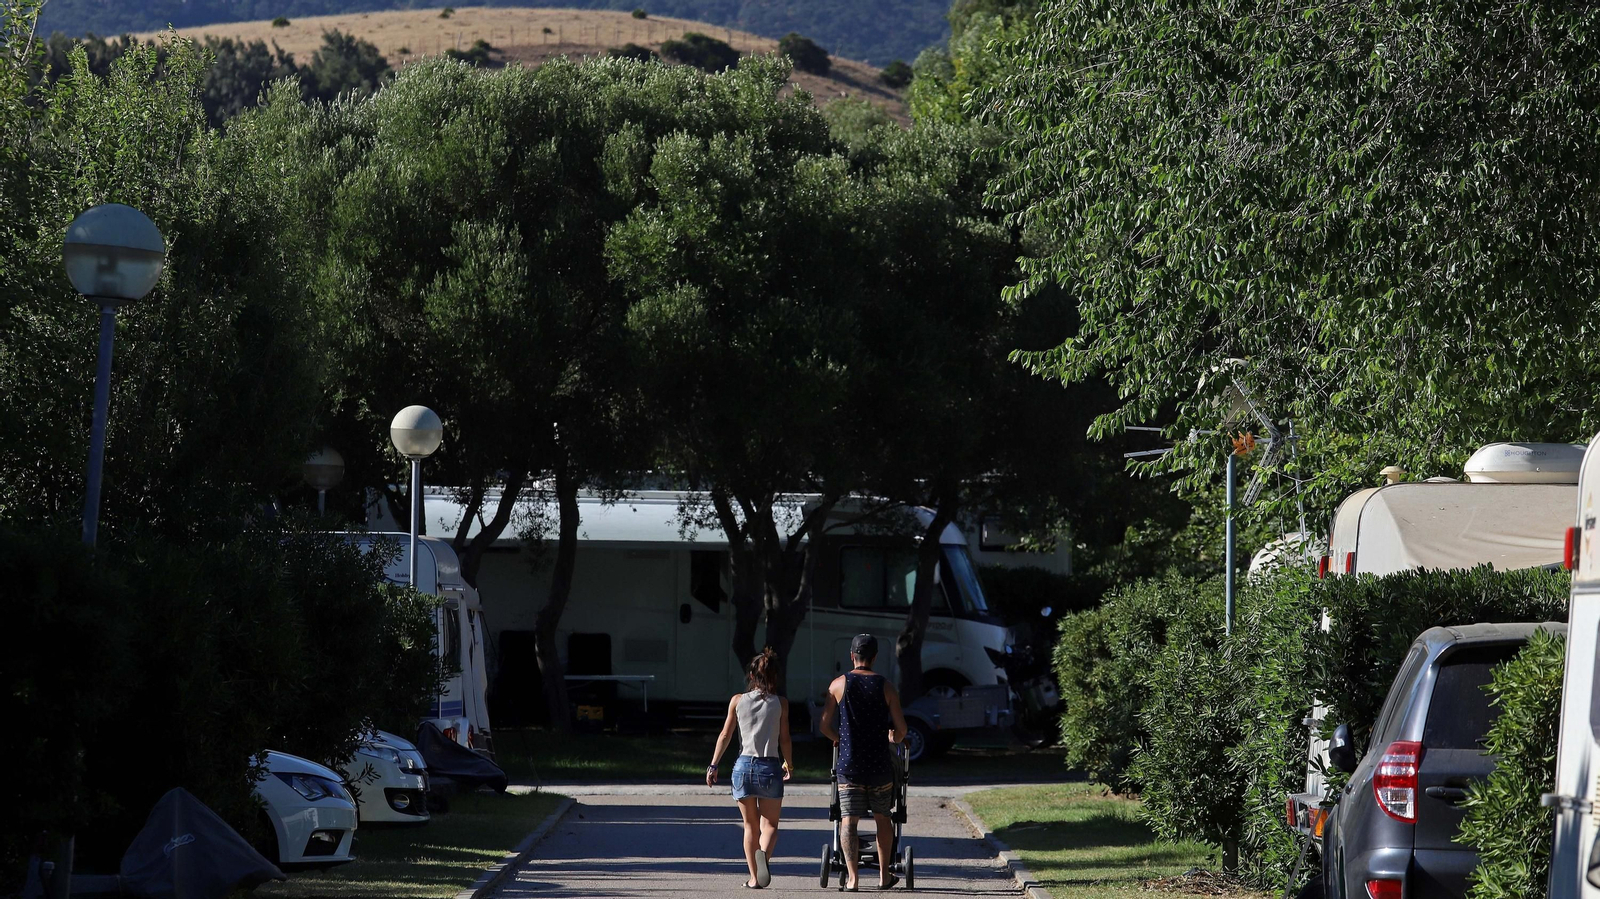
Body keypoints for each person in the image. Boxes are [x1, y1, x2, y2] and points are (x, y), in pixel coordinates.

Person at [820, 633, 908, 891]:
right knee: (883, 818)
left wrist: (840, 739)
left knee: (848, 819)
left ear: (851, 656)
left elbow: (824, 725)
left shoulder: (838, 684)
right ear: (875, 657)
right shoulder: (886, 686)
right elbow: (901, 730)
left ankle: (853, 879)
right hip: (880, 766)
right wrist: (893, 737)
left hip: (849, 766)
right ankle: (884, 876)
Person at [707, 647, 794, 889]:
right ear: (775, 677)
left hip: (742, 767)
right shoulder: (781, 704)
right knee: (771, 826)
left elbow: (725, 734)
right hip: (769, 766)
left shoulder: (737, 700)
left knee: (750, 826)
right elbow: (785, 739)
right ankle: (763, 857)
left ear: (752, 676)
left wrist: (714, 764)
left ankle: (755, 878)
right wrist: (789, 761)